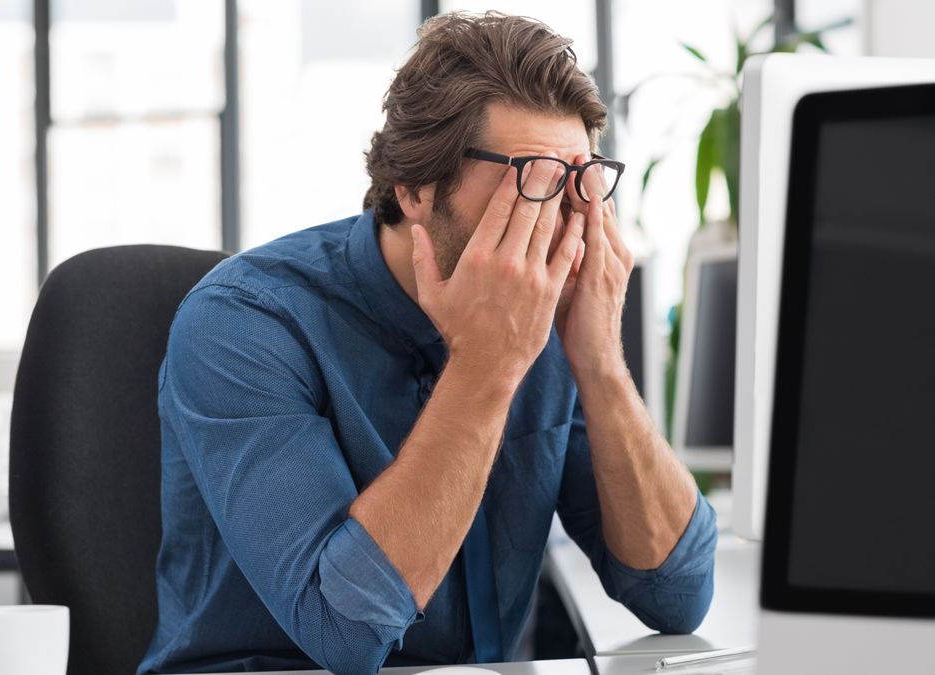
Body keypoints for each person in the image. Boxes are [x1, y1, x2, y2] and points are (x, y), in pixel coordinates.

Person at [139, 11, 716, 675]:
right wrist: (487, 365)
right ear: (414, 187)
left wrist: (601, 364)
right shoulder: (242, 323)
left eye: (579, 183)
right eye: (532, 179)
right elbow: (345, 633)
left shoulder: (555, 320)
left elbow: (676, 594)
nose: (561, 222)